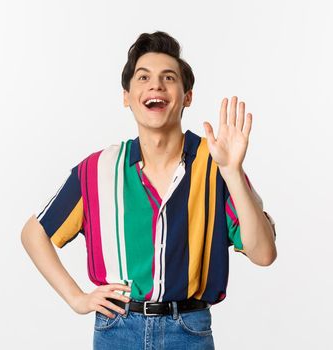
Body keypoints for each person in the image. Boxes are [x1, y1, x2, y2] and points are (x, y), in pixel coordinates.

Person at [20, 31, 277, 349]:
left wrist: (233, 173)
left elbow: (263, 253)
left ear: (187, 96)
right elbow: (34, 233)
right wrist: (77, 299)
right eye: (143, 77)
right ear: (126, 96)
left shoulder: (217, 165)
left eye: (168, 77)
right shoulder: (99, 169)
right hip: (117, 330)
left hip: (189, 331)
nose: (156, 85)